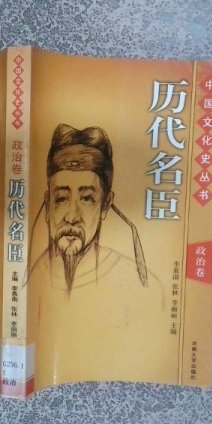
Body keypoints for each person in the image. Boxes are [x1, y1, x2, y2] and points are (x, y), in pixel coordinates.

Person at [29, 124, 170, 387]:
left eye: (87, 199)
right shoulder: (31, 281)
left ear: (105, 204)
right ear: (48, 205)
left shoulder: (141, 287)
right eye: (61, 199)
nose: (72, 216)